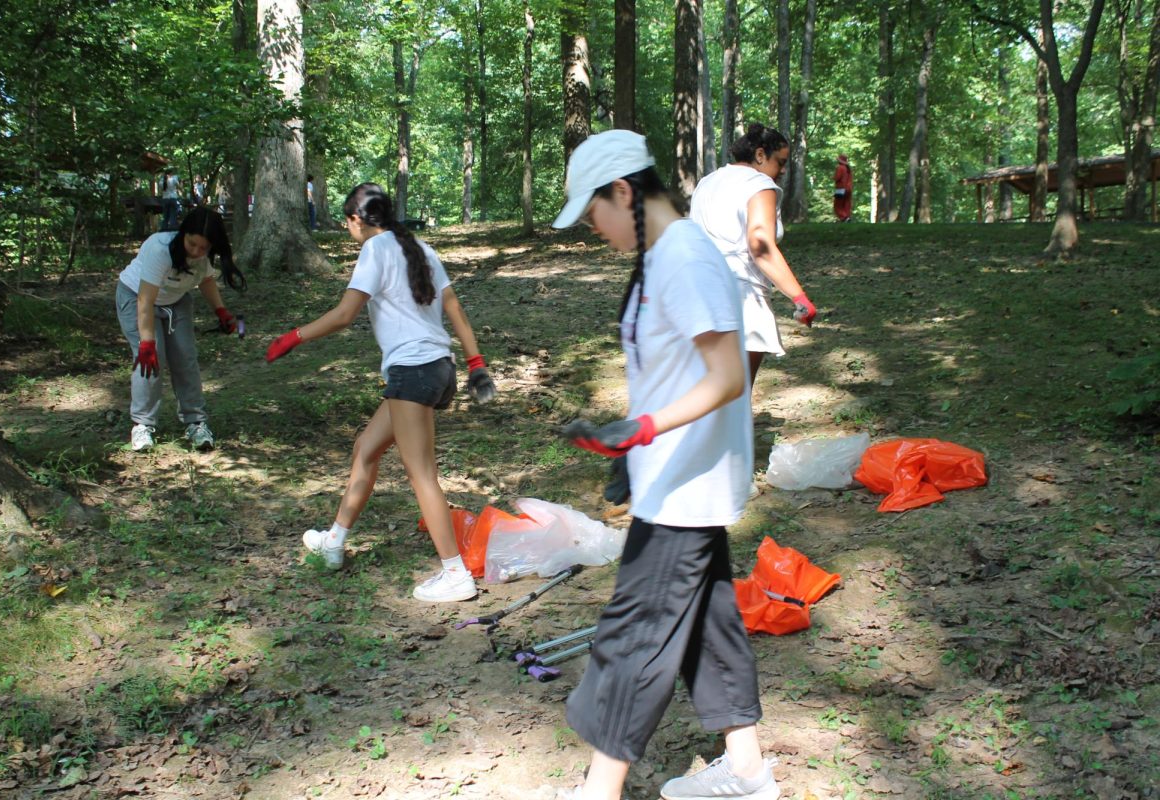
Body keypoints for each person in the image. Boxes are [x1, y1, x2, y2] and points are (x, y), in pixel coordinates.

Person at [552, 129, 779, 800]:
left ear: (623, 192)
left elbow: (728, 375)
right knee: (710, 627)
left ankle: (599, 792)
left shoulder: (683, 255)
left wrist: (642, 427)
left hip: (686, 485)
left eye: (592, 213)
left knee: (635, 636)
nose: (593, 229)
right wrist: (629, 440)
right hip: (671, 478)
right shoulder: (659, 257)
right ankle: (747, 775)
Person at [264, 183, 497, 600]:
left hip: (414, 371)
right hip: (435, 369)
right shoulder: (419, 247)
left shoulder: (375, 250)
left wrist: (293, 337)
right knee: (366, 448)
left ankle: (455, 575)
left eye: (347, 222)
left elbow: (344, 314)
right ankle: (334, 542)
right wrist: (475, 362)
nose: (348, 229)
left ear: (357, 219)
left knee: (421, 474)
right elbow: (454, 308)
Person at [689, 122, 816, 394]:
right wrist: (799, 297)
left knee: (707, 393)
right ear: (760, 155)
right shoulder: (759, 185)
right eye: (780, 163)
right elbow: (760, 245)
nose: (782, 171)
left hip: (697, 292)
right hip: (740, 296)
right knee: (734, 396)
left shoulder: (706, 183)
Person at [116, 207, 245, 453]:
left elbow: (206, 280)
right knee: (152, 360)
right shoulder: (160, 249)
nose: (196, 252)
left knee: (186, 358)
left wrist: (221, 311)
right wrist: (146, 342)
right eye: (192, 244)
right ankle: (142, 424)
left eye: (203, 248)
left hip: (176, 301)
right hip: (136, 298)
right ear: (182, 234)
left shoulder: (205, 256)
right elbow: (145, 300)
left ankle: (195, 421)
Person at [833, 154, 853, 222]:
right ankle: (847, 217)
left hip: (840, 188)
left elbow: (837, 178)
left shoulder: (840, 167)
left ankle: (844, 217)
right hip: (849, 189)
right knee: (846, 204)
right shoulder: (848, 169)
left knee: (838, 205)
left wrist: (833, 177)